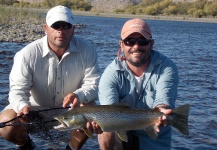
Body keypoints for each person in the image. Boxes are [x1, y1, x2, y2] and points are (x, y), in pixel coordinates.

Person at [0, 5, 100, 150]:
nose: (61, 30)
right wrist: (22, 106)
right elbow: (17, 91)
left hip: (70, 112)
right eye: (56, 25)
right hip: (33, 112)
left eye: (66, 26)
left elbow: (94, 85)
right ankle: (26, 145)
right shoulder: (26, 54)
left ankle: (72, 148)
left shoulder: (88, 50)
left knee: (90, 108)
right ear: (45, 28)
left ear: (73, 29)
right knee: (5, 123)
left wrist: (79, 95)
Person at [97, 18, 179, 150]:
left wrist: (162, 110)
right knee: (105, 128)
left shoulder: (166, 67)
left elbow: (163, 99)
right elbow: (109, 109)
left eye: (142, 41)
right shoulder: (110, 73)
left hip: (154, 135)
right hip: (120, 133)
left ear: (151, 44)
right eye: (130, 41)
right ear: (121, 45)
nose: (136, 47)